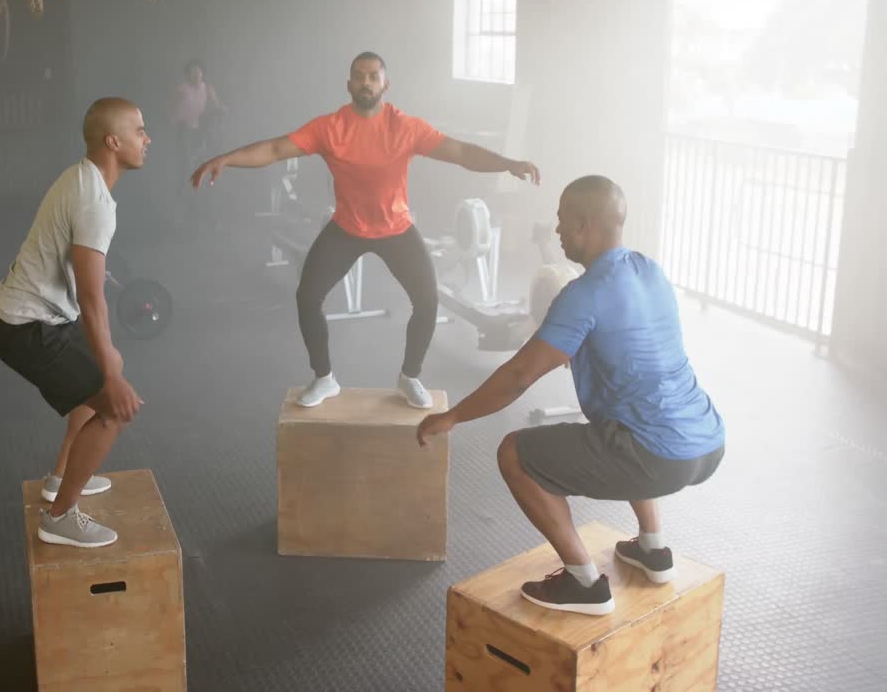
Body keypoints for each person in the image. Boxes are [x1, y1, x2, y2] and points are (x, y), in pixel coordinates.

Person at [416, 175, 726, 616]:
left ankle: (584, 583)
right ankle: (653, 548)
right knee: (622, 417)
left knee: (515, 453)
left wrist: (452, 417)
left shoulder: (584, 294)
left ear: (583, 225)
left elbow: (519, 376)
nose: (557, 231)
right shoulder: (650, 270)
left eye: (562, 221)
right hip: (708, 440)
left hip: (658, 456)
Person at [190, 51, 540, 409]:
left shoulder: (405, 127)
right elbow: (277, 148)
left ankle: (410, 377)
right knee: (307, 296)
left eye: (373, 76)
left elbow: (461, 152)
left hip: (396, 228)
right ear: (349, 84)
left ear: (385, 85)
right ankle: (324, 378)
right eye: (359, 76)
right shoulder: (329, 127)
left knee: (427, 300)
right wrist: (226, 159)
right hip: (347, 227)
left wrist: (506, 164)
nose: (366, 82)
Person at [0, 97, 150, 549]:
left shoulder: (78, 176)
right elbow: (91, 298)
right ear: (113, 141)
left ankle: (61, 480)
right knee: (114, 406)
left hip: (23, 314)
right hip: (27, 326)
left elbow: (71, 258)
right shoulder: (96, 201)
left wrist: (107, 359)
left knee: (99, 371)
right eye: (139, 131)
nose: (147, 138)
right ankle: (59, 517)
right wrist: (113, 378)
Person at [170, 59, 227, 174]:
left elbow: (216, 104)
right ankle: (185, 179)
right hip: (184, 126)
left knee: (201, 154)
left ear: (202, 74)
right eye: (193, 72)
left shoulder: (207, 88)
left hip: (200, 127)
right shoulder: (181, 89)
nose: (196, 75)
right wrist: (173, 119)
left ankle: (199, 174)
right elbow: (172, 106)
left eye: (198, 72)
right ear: (188, 75)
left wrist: (222, 109)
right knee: (185, 159)